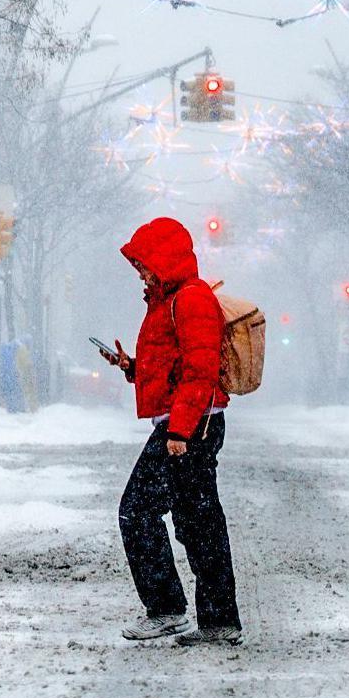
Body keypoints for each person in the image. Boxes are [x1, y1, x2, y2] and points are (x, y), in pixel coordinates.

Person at [102, 216, 242, 647]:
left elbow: (200, 373)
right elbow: (175, 366)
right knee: (197, 521)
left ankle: (166, 609)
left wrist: (179, 432)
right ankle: (218, 622)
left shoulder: (192, 299)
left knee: (138, 510)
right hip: (187, 423)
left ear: (164, 260)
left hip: (192, 427)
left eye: (143, 265)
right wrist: (131, 368)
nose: (140, 273)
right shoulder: (170, 300)